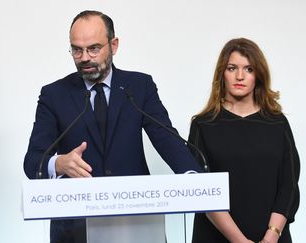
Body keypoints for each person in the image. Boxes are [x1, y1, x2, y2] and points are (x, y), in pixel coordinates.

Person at [24, 10, 203, 243]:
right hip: (75, 228)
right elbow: (32, 162)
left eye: (94, 48)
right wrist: (59, 163)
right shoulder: (54, 95)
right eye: (77, 50)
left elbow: (167, 139)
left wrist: (194, 179)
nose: (85, 57)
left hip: (137, 223)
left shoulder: (139, 86)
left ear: (114, 45)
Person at [188, 38, 300, 243]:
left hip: (271, 237)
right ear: (222, 73)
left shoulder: (277, 123)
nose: (240, 76)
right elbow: (201, 190)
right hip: (216, 236)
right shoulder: (203, 124)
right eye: (232, 68)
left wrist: (272, 235)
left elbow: (289, 185)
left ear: (259, 74)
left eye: (248, 69)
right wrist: (239, 240)